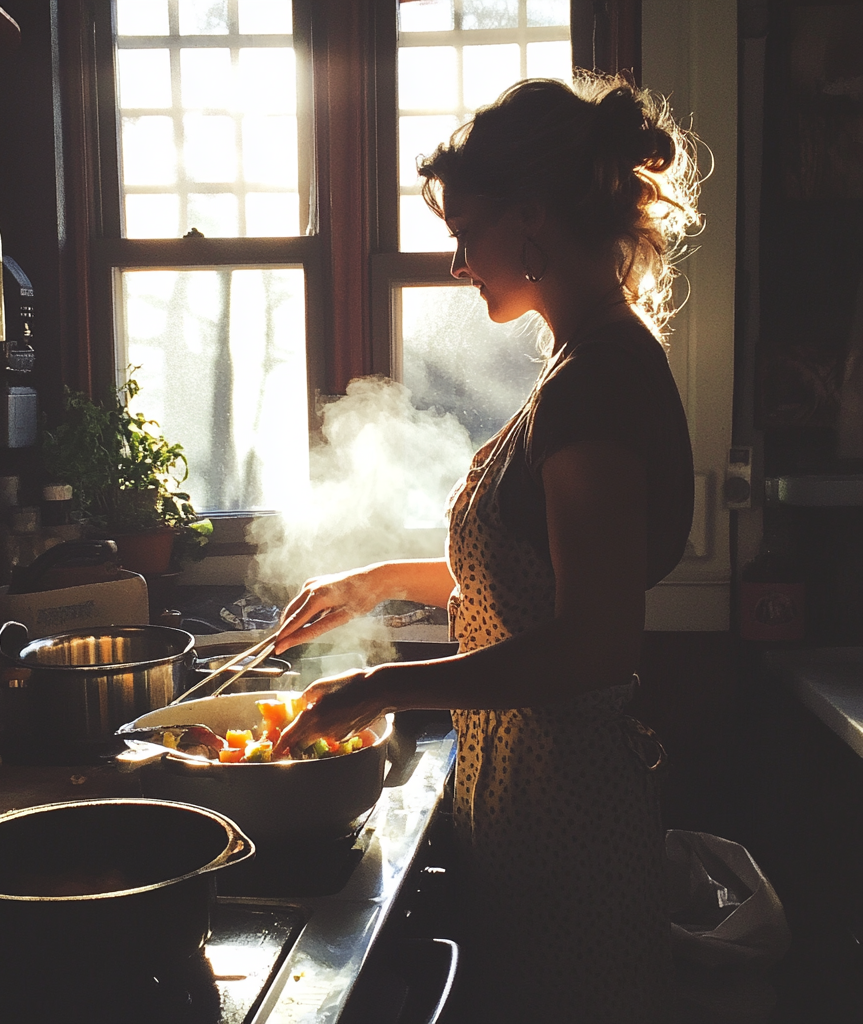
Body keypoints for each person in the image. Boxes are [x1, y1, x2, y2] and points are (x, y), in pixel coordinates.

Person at [273, 72, 701, 1023]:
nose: (460, 263)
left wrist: (382, 687)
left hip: (568, 822)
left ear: (533, 219)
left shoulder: (598, 385)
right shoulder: (585, 362)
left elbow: (595, 641)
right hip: (531, 803)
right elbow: (538, 576)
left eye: (467, 234)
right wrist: (381, 581)